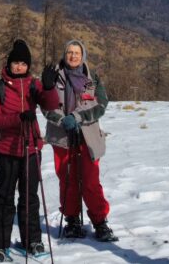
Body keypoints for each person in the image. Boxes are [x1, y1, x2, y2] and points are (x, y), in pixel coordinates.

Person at [0, 39, 60, 262]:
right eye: (15, 63)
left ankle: (32, 240)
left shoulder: (34, 85)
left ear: (28, 66)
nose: (19, 67)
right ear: (8, 64)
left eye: (23, 64)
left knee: (30, 198)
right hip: (5, 150)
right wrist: (18, 119)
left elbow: (50, 104)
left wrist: (48, 87)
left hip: (30, 148)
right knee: (4, 198)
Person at [42, 39, 115, 241]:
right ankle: (72, 219)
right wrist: (62, 119)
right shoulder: (54, 76)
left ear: (83, 55)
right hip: (62, 136)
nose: (73, 56)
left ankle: (100, 221)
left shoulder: (91, 78)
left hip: (88, 136)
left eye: (77, 52)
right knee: (67, 179)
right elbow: (46, 105)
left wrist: (77, 117)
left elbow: (100, 104)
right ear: (65, 54)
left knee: (91, 180)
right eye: (69, 52)